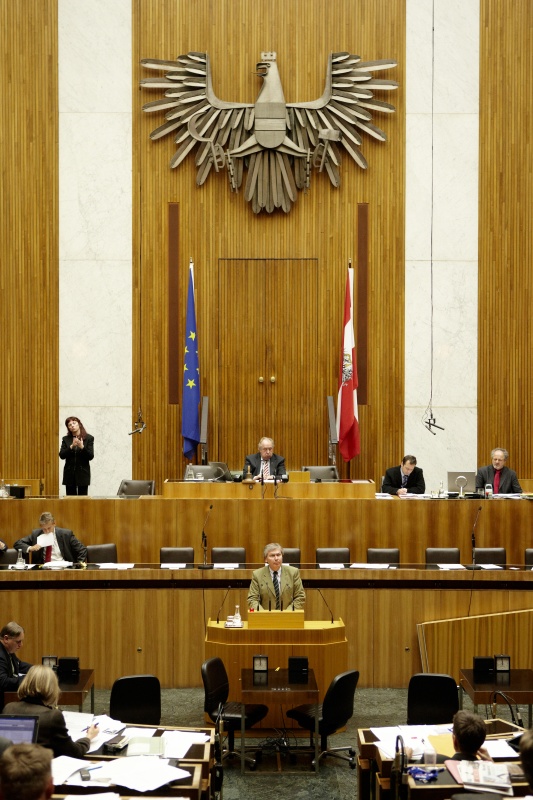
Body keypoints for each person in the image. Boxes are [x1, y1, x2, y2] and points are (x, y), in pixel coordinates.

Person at [3, 666, 98, 758]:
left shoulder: (9, 708)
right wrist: (88, 737)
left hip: (10, 764)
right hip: (39, 765)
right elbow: (74, 752)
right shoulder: (52, 716)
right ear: (52, 687)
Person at [248, 542, 305, 611]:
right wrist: (264, 614)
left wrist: (287, 613)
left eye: (278, 555)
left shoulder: (293, 572)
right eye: (272, 556)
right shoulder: (257, 574)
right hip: (266, 615)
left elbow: (300, 596)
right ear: (266, 559)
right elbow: (252, 599)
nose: (276, 558)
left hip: (288, 615)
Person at [14, 513, 87, 565]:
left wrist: (78, 566)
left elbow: (82, 550)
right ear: (41, 526)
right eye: (44, 529)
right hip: (43, 570)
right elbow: (18, 543)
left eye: (49, 528)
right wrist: (31, 548)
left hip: (64, 568)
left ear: (54, 523)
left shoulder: (66, 534)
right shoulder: (36, 534)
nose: (47, 531)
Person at [59, 416, 94, 496]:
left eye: (74, 423)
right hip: (69, 474)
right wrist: (71, 446)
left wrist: (82, 447)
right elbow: (62, 455)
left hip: (83, 473)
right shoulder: (66, 439)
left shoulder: (89, 438)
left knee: (83, 499)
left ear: (79, 424)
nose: (72, 426)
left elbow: (90, 456)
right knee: (70, 500)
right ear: (68, 428)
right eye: (69, 425)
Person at [0, 622, 32, 711]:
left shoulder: (8, 650)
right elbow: (3, 682)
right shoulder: (0, 655)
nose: (21, 645)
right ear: (6, 639)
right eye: (18, 641)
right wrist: (29, 679)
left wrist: (36, 670)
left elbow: (19, 664)